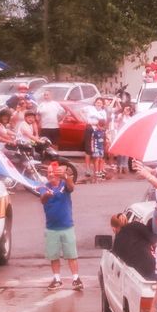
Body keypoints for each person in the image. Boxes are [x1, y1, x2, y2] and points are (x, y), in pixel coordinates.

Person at [39, 164, 82, 292]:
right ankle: (57, 279)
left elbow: (71, 187)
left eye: (53, 172)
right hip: (51, 228)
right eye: (49, 172)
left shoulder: (64, 184)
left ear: (58, 173)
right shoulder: (44, 186)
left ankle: (76, 278)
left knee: (71, 254)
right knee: (53, 256)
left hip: (67, 226)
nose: (51, 174)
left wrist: (66, 175)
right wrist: (47, 194)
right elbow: (42, 199)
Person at [110, 212, 157, 279]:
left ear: (114, 228)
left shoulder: (116, 244)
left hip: (139, 273)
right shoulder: (136, 225)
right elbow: (153, 239)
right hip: (153, 265)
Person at [84, 97, 108, 181]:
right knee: (88, 150)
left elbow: (104, 122)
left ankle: (98, 170)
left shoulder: (103, 112)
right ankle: (87, 168)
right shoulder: (90, 109)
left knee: (98, 151)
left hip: (99, 131)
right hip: (90, 128)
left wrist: (100, 127)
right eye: (97, 102)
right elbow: (81, 111)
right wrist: (85, 119)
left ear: (102, 104)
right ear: (95, 103)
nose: (99, 104)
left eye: (100, 103)